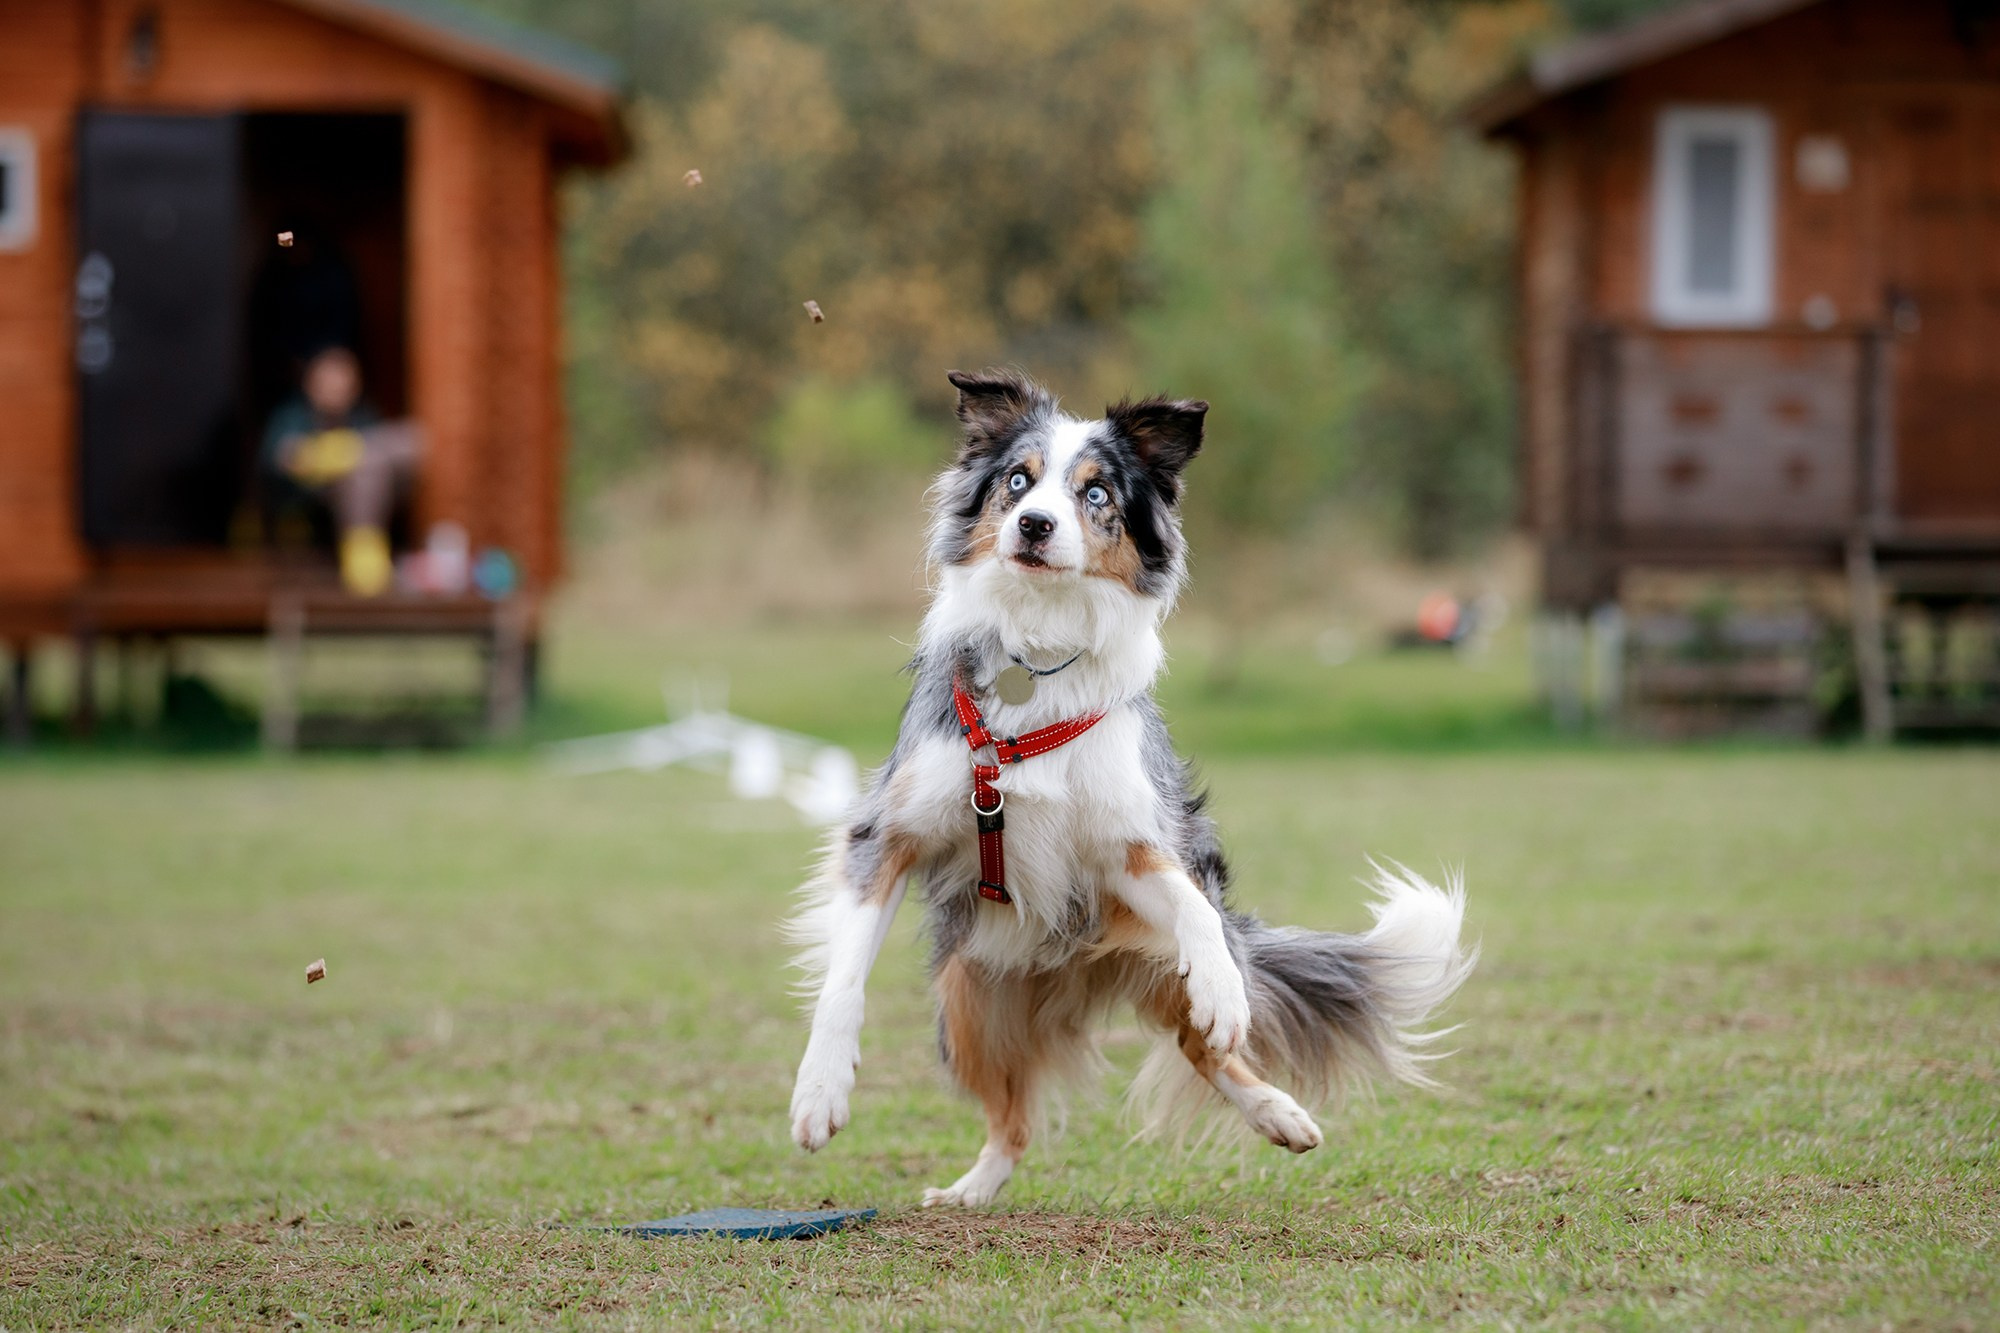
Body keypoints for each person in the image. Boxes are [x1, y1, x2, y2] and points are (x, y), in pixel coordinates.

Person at [262, 345, 421, 595]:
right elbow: (280, 460)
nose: (336, 387)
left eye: (343, 379)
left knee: (405, 443)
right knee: (371, 458)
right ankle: (363, 549)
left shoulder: (363, 416)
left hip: (361, 494)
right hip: (313, 502)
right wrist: (316, 459)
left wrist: (352, 454)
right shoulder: (292, 416)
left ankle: (363, 549)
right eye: (328, 379)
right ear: (311, 383)